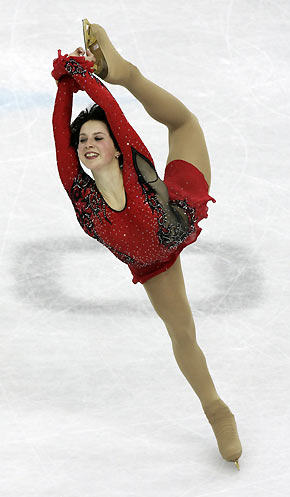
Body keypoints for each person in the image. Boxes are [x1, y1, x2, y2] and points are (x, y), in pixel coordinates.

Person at [51, 22, 242, 469]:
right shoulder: (81, 193)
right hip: (154, 262)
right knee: (182, 331)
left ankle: (124, 71)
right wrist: (65, 85)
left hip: (179, 207)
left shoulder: (135, 162)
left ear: (117, 148)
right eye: (84, 141)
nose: (89, 143)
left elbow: (113, 114)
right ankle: (216, 409)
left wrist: (86, 78)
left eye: (99, 138)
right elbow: (62, 138)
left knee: (182, 122)